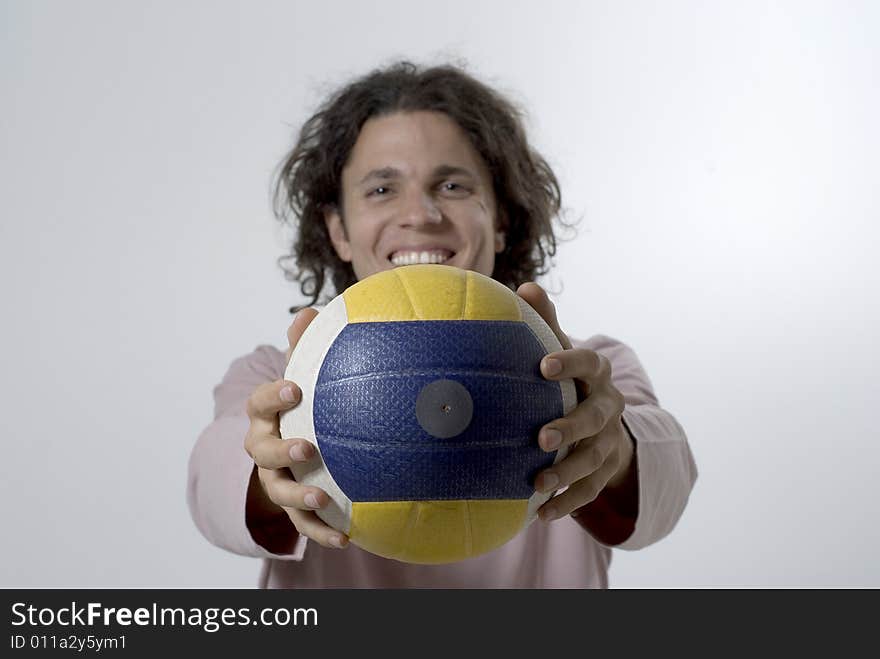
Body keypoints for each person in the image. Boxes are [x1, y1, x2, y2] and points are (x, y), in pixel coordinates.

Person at [187, 61, 697, 588]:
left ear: (500, 221)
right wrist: (267, 467)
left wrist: (612, 447)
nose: (421, 214)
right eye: (382, 190)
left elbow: (668, 483)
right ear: (338, 230)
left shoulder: (587, 376)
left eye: (452, 185)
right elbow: (212, 481)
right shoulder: (276, 380)